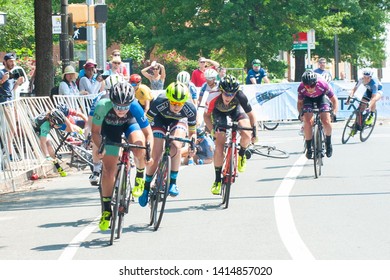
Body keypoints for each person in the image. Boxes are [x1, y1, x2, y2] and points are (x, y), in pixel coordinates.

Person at [91, 81, 154, 231]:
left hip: (129, 125)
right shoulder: (102, 106)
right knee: (108, 170)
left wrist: (148, 153)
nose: (121, 110)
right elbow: (95, 132)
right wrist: (101, 147)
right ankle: (106, 210)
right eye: (118, 106)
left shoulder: (134, 107)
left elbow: (148, 133)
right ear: (111, 101)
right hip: (109, 130)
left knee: (139, 146)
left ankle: (139, 175)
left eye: (125, 106)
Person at [138, 82, 197, 207]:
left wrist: (193, 145)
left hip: (179, 121)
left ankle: (173, 182)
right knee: (156, 152)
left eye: (180, 104)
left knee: (176, 145)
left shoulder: (190, 108)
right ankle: (146, 187)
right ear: (169, 99)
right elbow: (145, 125)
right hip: (160, 119)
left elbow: (192, 132)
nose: (176, 107)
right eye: (174, 103)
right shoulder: (159, 102)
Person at [204, 75, 257, 195]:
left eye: (232, 94)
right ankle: (217, 180)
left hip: (235, 111)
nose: (229, 97)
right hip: (219, 114)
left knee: (246, 133)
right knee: (219, 145)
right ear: (221, 91)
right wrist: (213, 130)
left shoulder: (240, 95)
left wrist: (255, 133)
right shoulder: (213, 96)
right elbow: (206, 116)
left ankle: (242, 154)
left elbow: (252, 116)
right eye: (227, 94)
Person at [297, 70, 338, 159]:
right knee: (307, 122)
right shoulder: (301, 88)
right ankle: (308, 147)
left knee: (326, 121)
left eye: (312, 85)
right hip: (307, 99)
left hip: (321, 97)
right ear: (304, 85)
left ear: (316, 83)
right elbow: (300, 103)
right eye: (307, 86)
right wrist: (300, 113)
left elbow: (334, 100)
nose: (310, 88)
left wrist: (334, 113)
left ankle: (328, 143)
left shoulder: (323, 85)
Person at [33, 108, 73, 177]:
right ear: (51, 121)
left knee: (69, 128)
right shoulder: (45, 126)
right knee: (48, 143)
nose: (59, 126)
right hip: (38, 128)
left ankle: (57, 165)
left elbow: (69, 128)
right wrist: (47, 155)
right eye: (58, 124)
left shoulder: (55, 116)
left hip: (50, 123)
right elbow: (43, 142)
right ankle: (58, 167)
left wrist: (71, 128)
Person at [346, 68, 382, 134]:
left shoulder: (374, 83)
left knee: (373, 100)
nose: (366, 79)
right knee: (360, 108)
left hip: (378, 91)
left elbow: (373, 97)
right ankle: (356, 126)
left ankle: (371, 115)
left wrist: (369, 107)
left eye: (368, 78)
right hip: (368, 91)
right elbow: (354, 90)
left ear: (370, 77)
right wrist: (349, 98)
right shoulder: (361, 79)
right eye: (365, 77)